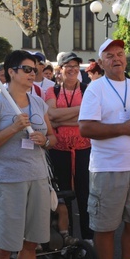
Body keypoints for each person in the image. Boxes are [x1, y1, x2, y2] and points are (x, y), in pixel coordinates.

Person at [78, 39, 130, 259]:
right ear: (101, 62)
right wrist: (123, 128)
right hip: (107, 169)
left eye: (120, 54)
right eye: (110, 56)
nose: (117, 59)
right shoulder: (95, 88)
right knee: (105, 227)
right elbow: (85, 129)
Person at [0, 50, 56, 259]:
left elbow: (53, 137)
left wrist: (46, 140)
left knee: (31, 244)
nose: (34, 73)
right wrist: (13, 129)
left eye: (36, 69)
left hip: (38, 178)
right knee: (4, 248)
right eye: (27, 69)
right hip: (7, 181)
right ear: (11, 72)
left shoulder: (39, 103)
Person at [45, 52, 92, 245]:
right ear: (60, 70)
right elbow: (51, 115)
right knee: (64, 194)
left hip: (83, 148)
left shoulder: (87, 89)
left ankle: (88, 237)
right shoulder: (52, 91)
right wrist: (80, 111)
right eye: (68, 66)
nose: (72, 69)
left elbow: (89, 120)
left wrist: (61, 118)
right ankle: (68, 236)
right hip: (59, 150)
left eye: (75, 66)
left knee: (84, 193)